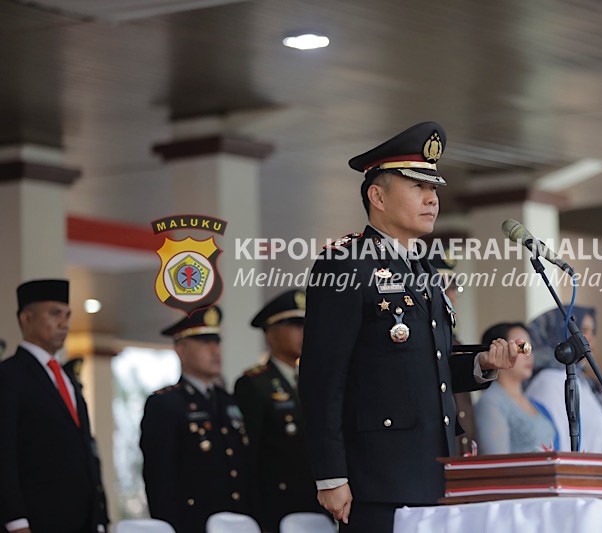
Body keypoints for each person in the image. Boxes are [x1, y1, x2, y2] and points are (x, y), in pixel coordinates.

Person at [299, 121, 523, 533]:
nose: (431, 199)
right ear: (377, 196)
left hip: (435, 475)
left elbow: (428, 367)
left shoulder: (425, 270)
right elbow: (321, 378)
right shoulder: (345, 264)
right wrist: (330, 474)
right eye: (417, 187)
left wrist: (481, 364)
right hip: (377, 479)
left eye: (434, 189)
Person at [0, 279, 109, 532]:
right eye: (54, 313)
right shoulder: (9, 376)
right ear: (26, 319)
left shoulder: (68, 380)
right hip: (37, 521)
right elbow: (4, 454)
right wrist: (16, 520)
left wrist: (99, 518)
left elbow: (85, 451)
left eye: (67, 315)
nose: (64, 323)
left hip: (82, 522)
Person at [140, 306, 261, 532]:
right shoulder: (166, 404)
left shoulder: (228, 402)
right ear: (181, 350)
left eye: (217, 342)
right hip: (194, 524)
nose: (215, 350)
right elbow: (161, 481)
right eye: (205, 342)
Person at [234, 289, 327, 532]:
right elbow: (249, 455)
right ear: (271, 335)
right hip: (276, 505)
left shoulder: (314, 381)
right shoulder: (254, 383)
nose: (304, 332)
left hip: (316, 501)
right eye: (294, 325)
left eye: (306, 324)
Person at [525, 306, 602, 453]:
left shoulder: (587, 382)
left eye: (593, 332)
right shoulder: (547, 381)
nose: (589, 339)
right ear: (559, 333)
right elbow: (556, 443)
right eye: (582, 330)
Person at [475, 322, 558, 453]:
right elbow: (497, 464)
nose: (528, 355)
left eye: (530, 347)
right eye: (521, 347)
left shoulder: (531, 400)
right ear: (498, 351)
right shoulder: (491, 402)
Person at [430, 250, 477, 456]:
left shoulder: (454, 341)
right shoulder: (425, 341)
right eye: (444, 287)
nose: (451, 296)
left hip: (460, 453)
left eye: (454, 287)